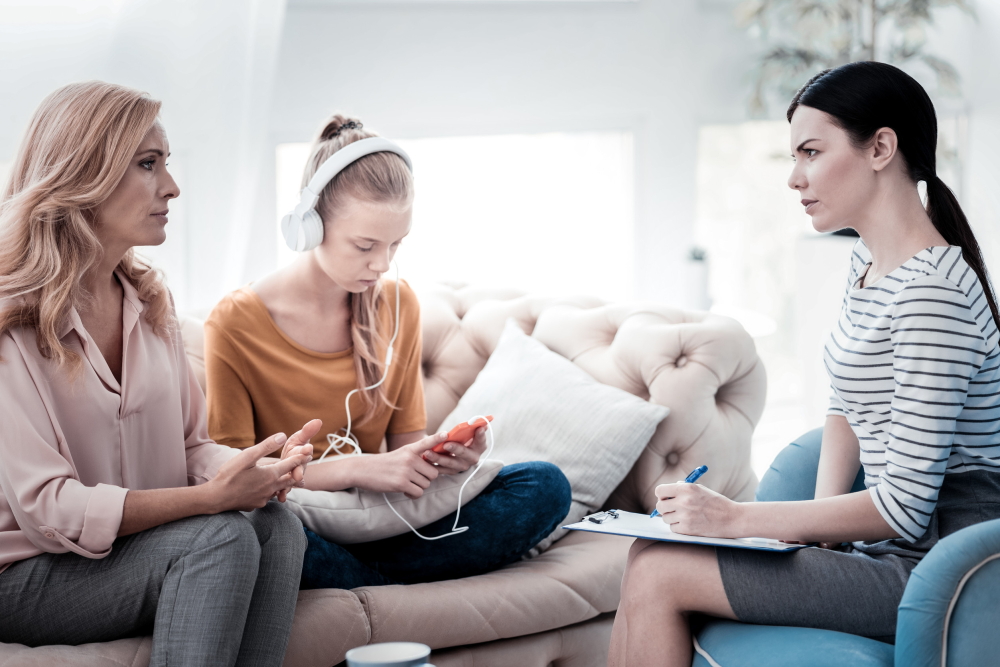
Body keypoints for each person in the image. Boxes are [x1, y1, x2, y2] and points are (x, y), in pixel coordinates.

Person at [609, 61, 1000, 666]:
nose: (795, 178)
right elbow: (846, 401)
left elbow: (904, 508)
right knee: (647, 556)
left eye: (811, 153)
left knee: (661, 573)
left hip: (936, 566)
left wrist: (737, 518)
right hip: (889, 549)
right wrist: (819, 531)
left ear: (881, 148)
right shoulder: (868, 267)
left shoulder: (933, 293)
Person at [0, 81, 320, 667]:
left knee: (278, 527)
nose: (172, 187)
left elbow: (193, 446)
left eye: (166, 164)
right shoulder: (10, 323)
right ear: (83, 175)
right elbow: (49, 509)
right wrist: (210, 503)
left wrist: (250, 469)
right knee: (218, 538)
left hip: (129, 553)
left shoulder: (149, 305)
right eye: (149, 165)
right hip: (24, 574)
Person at [204, 114, 571, 589]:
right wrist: (358, 468)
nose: (382, 264)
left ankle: (362, 581)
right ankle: (388, 581)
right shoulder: (234, 322)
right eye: (364, 245)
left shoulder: (400, 305)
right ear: (309, 227)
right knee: (254, 534)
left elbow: (404, 449)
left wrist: (443, 458)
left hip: (388, 523)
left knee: (544, 486)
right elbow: (235, 481)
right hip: (302, 522)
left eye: (396, 244)